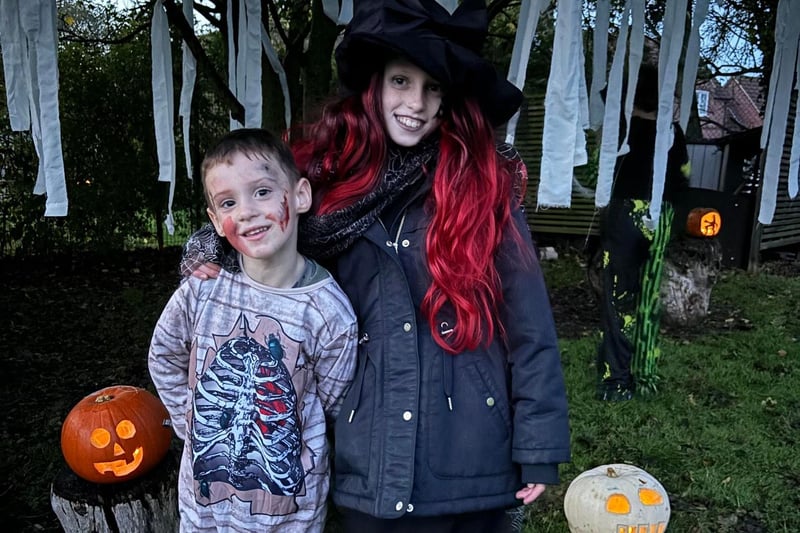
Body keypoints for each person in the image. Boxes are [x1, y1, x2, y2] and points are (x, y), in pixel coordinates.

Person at [182, 1, 570, 531]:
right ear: (374, 87)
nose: (416, 103)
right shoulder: (322, 188)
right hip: (367, 454)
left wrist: (538, 443)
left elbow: (531, 327)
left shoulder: (484, 190)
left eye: (433, 88)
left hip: (471, 453)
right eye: (401, 82)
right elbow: (255, 226)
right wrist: (213, 251)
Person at [148, 128, 358, 533]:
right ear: (215, 220)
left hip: (289, 519)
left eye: (262, 192)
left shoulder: (330, 313)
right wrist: (186, 418)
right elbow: (163, 353)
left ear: (299, 196)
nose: (246, 211)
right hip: (204, 514)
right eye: (229, 202)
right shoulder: (201, 289)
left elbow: (331, 404)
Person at [595, 62, 691, 401]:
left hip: (624, 214)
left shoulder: (621, 127)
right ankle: (644, 377)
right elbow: (683, 178)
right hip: (660, 216)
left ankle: (615, 381)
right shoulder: (673, 132)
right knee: (648, 299)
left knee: (618, 300)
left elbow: (605, 96)